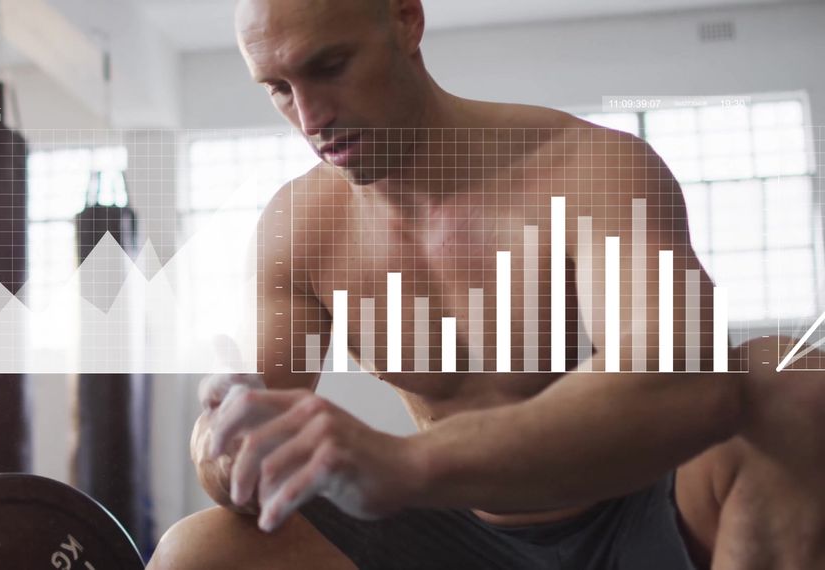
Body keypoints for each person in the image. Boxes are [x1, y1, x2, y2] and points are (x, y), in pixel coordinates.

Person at [148, 0, 825, 568]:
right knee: (197, 552)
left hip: (637, 516)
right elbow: (241, 455)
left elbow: (685, 379)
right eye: (278, 88)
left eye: (329, 67)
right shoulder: (299, 228)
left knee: (796, 382)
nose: (310, 116)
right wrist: (221, 445)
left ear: (406, 20)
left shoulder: (589, 168)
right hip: (452, 537)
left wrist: (404, 465)